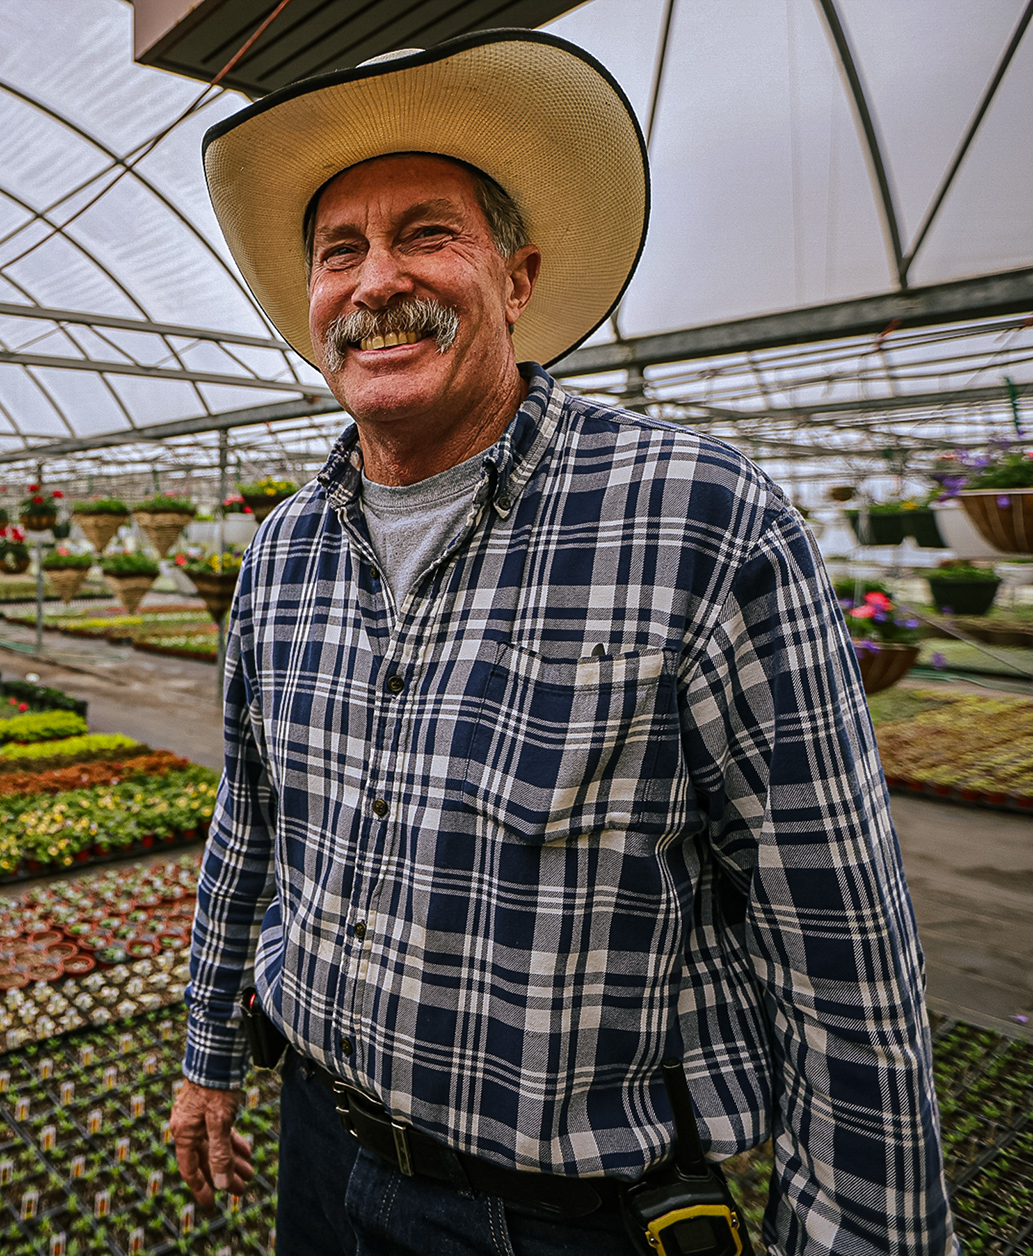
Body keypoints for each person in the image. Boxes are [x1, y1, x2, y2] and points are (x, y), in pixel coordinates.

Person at [166, 29, 952, 1256]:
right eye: (340, 251)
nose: (376, 281)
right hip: (322, 1154)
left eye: (426, 233)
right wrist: (211, 1046)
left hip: (556, 1218)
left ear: (517, 278)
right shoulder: (281, 554)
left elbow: (840, 947)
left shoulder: (699, 519)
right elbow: (250, 827)